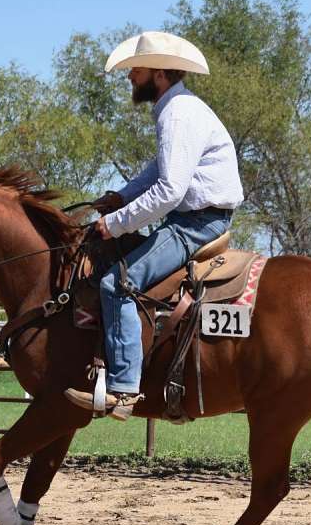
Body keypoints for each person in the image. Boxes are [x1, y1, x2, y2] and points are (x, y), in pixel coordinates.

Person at [64, 31, 244, 421]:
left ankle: (124, 390)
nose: (130, 77)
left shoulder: (177, 114)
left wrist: (112, 224)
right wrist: (123, 197)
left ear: (159, 73)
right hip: (198, 219)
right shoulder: (177, 107)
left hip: (194, 225)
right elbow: (158, 171)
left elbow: (169, 191)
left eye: (136, 70)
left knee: (115, 284)